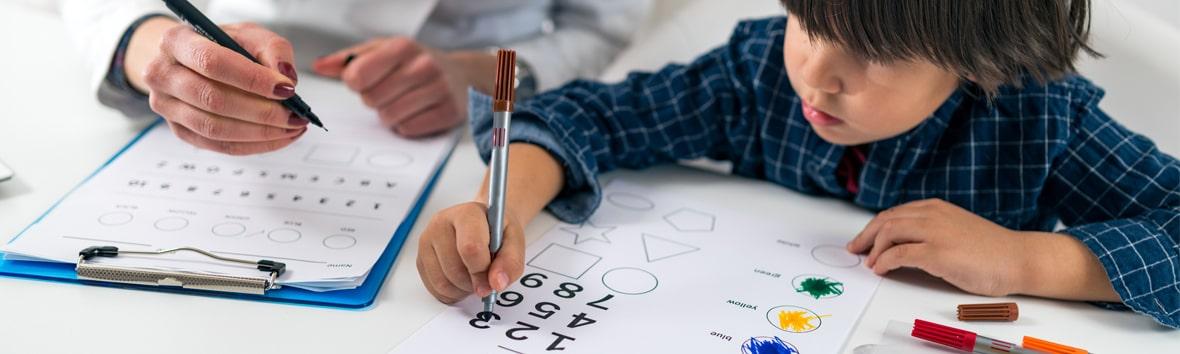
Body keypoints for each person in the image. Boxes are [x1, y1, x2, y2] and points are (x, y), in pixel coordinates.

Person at [414, 0, 1180, 328]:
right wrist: (500, 207)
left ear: (978, 66)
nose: (816, 74)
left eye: (874, 55)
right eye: (807, 23)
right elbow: (589, 116)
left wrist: (1027, 259)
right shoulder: (757, 72)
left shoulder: (1041, 119)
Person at [56, 0, 650, 155]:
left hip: (459, 129)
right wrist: (148, 47)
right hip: (216, 38)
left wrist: (487, 75)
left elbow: (601, 31)